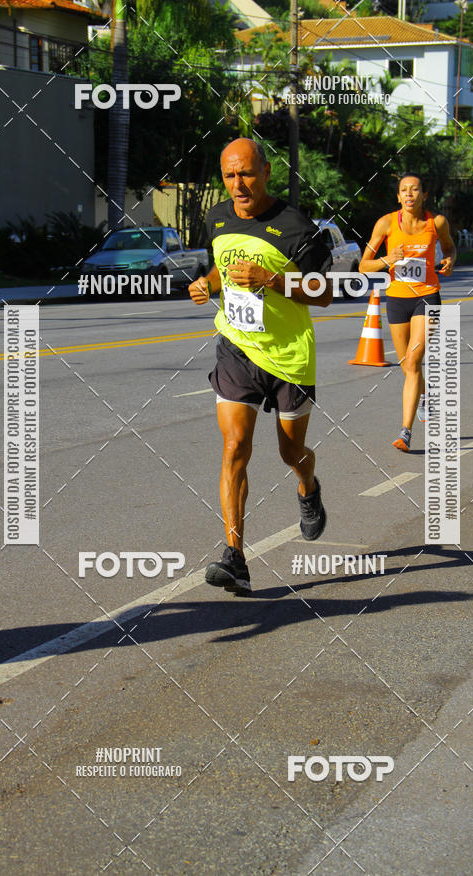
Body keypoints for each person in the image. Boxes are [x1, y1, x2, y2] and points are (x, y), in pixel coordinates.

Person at [188, 138, 332, 594]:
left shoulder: (296, 226)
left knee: (292, 453)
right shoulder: (216, 217)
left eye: (247, 173)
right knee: (235, 448)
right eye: (230, 175)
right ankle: (235, 558)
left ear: (266, 172)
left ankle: (308, 488)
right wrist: (205, 283)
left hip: (289, 356)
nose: (239, 184)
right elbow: (220, 269)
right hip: (237, 349)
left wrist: (270, 279)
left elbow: (323, 293)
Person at [360, 173, 456, 452]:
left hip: (427, 297)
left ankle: (405, 432)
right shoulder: (387, 223)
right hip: (397, 298)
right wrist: (387, 260)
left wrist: (449, 259)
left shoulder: (436, 222)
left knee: (414, 360)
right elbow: (364, 265)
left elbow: (449, 247)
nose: (410, 194)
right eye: (404, 190)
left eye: (415, 189)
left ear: (424, 195)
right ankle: (426, 398)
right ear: (398, 196)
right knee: (407, 366)